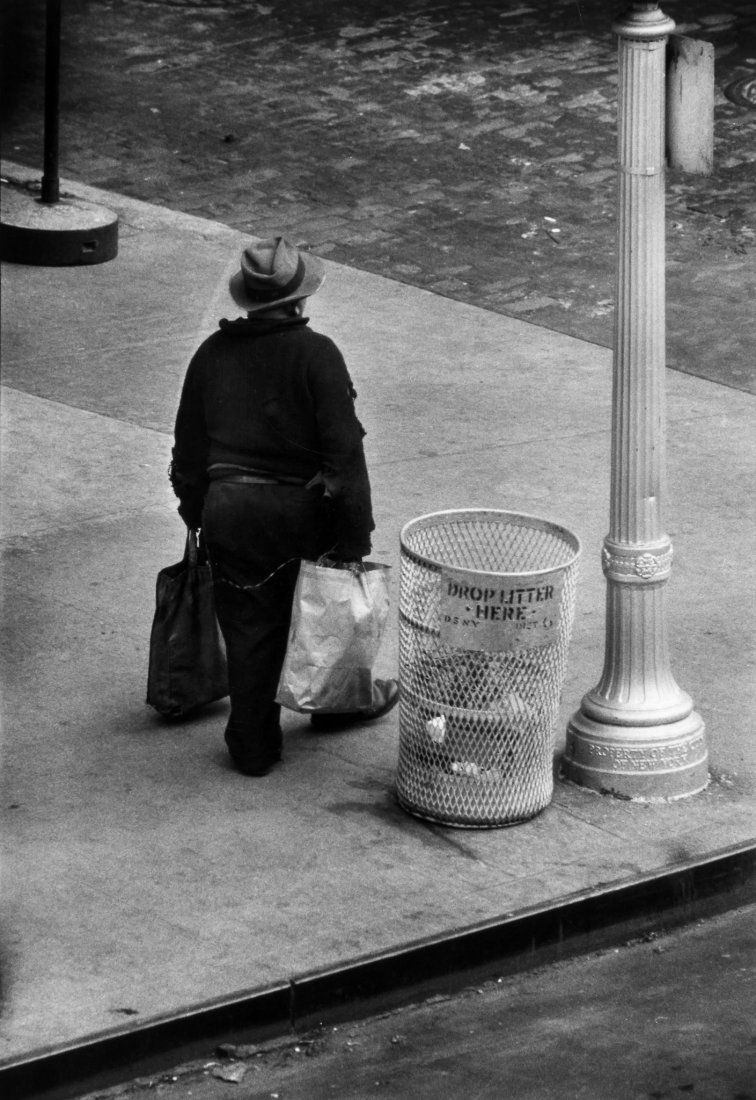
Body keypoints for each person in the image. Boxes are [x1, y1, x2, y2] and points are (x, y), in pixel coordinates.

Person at [169, 237, 398, 776]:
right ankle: (335, 703)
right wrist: (354, 536)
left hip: (229, 509)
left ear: (249, 299)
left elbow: (188, 451)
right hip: (299, 512)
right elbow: (344, 455)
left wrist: (196, 513)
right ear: (300, 299)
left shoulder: (212, 353)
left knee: (250, 626)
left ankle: (251, 743)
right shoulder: (318, 354)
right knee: (328, 607)